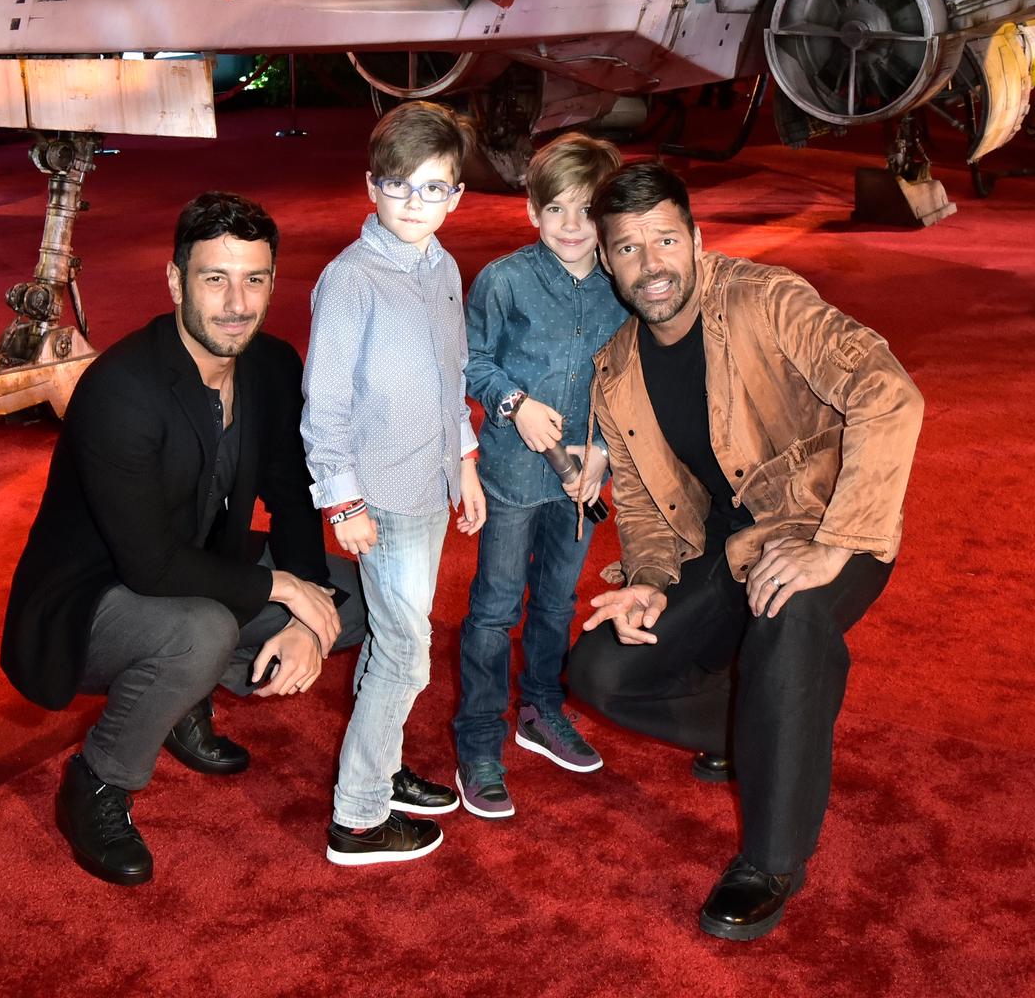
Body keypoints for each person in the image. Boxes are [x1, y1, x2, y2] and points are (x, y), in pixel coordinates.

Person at [569, 161, 922, 942]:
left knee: (789, 612)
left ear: (698, 239)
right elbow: (649, 516)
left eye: (666, 239)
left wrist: (835, 544)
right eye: (628, 248)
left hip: (826, 526)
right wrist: (651, 584)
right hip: (728, 550)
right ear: (605, 260)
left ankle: (771, 858)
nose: (652, 265)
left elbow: (888, 393)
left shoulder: (767, 300)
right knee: (598, 669)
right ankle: (773, 723)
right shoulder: (617, 374)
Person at [0, 192, 366, 888]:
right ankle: (97, 785)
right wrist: (283, 590)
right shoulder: (122, 390)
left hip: (198, 566)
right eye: (214, 278)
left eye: (254, 279)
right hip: (95, 596)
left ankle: (182, 696)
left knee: (358, 598)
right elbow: (149, 562)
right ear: (175, 282)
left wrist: (306, 613)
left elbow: (290, 496)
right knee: (197, 632)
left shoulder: (272, 366)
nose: (237, 302)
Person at [302, 99, 486, 866]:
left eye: (435, 188)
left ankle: (383, 768)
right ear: (371, 187)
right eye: (402, 186)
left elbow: (451, 380)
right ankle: (359, 815)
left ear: (458, 196)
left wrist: (465, 462)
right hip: (377, 497)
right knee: (407, 651)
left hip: (427, 485)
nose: (418, 203)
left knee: (393, 640)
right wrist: (341, 501)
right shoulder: (352, 282)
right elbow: (326, 404)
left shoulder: (441, 265)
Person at [451, 131, 625, 819]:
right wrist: (513, 404)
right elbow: (469, 360)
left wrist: (605, 452)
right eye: (557, 210)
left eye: (588, 212)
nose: (573, 227)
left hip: (582, 482)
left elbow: (629, 383)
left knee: (556, 602)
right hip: (510, 474)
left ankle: (542, 711)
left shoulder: (620, 286)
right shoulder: (504, 280)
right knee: (495, 608)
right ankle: (479, 739)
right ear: (532, 211)